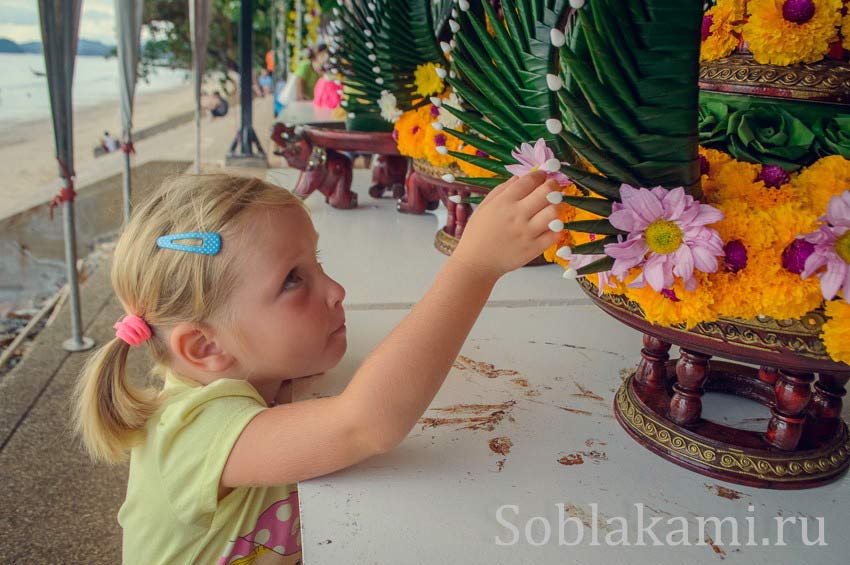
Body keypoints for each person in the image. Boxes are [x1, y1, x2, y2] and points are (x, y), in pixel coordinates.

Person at [73, 171, 561, 563]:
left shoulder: (244, 372)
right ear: (204, 347)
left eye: (316, 261)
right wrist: (474, 267)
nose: (335, 290)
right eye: (292, 280)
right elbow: (367, 423)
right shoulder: (193, 433)